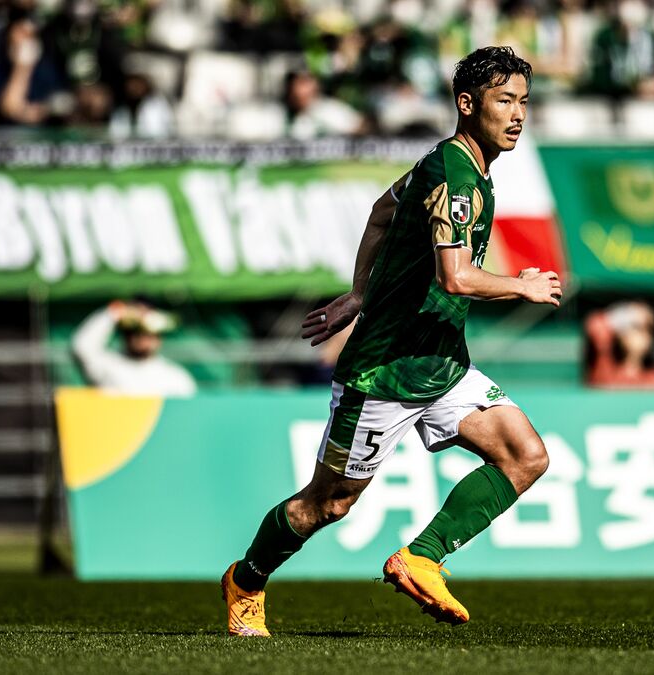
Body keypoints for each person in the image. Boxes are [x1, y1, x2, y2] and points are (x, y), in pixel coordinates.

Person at [222, 46, 561, 636]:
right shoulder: (454, 174)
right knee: (328, 503)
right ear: (467, 103)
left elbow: (383, 211)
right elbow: (455, 277)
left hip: (442, 362)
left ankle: (422, 558)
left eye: (523, 102)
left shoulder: (453, 165)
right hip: (384, 371)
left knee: (525, 455)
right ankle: (246, 580)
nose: (517, 115)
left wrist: (360, 292)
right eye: (504, 100)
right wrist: (520, 285)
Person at [71, 301, 196, 396]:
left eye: (150, 333)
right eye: (135, 331)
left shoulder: (176, 378)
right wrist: (114, 312)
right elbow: (81, 347)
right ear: (125, 336)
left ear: (159, 338)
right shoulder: (107, 367)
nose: (143, 338)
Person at [584, 301, 654, 389]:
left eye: (649, 329)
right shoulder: (607, 372)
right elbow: (596, 324)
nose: (645, 335)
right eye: (637, 327)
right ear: (622, 336)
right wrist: (628, 314)